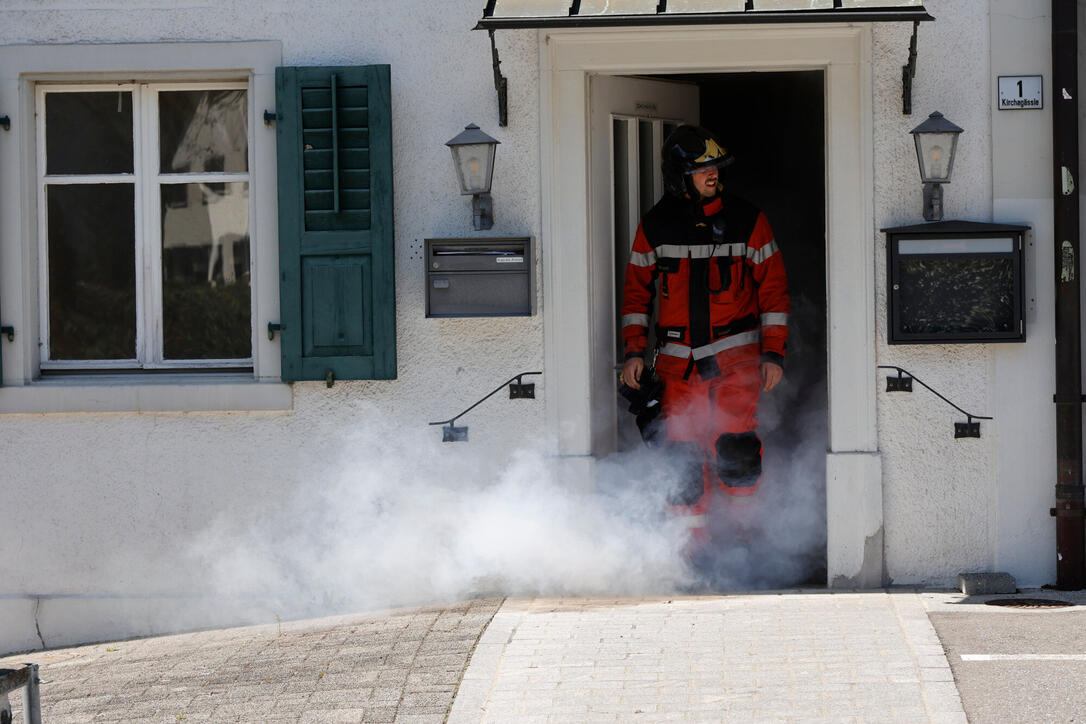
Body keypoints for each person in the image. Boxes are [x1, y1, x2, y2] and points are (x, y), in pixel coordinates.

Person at [620, 125, 789, 542]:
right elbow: (636, 295)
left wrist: (774, 354)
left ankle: (743, 547)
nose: (713, 174)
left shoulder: (749, 220)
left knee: (737, 453)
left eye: (715, 167)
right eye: (703, 169)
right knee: (681, 460)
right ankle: (689, 555)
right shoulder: (655, 226)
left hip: (738, 365)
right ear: (680, 176)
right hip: (679, 369)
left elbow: (774, 292)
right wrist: (634, 352)